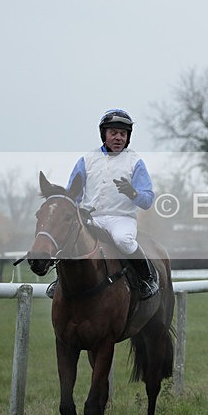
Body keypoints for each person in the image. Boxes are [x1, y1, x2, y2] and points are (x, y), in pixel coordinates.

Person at [54, 109, 159, 298]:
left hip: (121, 219)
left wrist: (133, 192)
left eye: (123, 134)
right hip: (92, 217)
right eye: (113, 133)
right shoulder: (86, 160)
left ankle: (147, 277)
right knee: (71, 238)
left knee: (123, 240)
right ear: (104, 134)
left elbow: (148, 199)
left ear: (128, 137)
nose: (118, 137)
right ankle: (59, 281)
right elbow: (73, 194)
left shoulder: (135, 162)